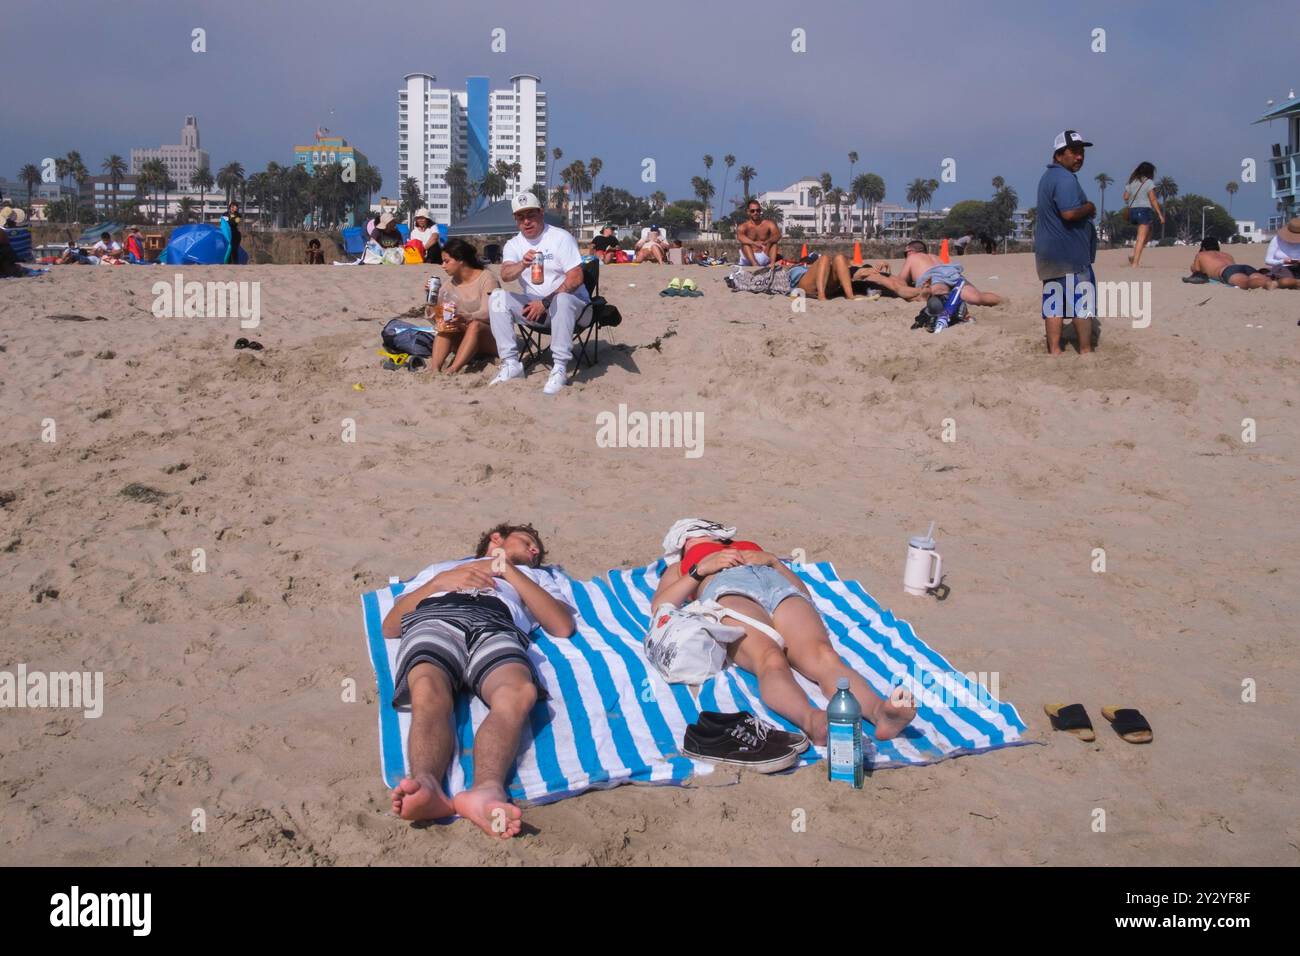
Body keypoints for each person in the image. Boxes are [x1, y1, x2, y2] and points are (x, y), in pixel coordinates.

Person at [382, 523, 576, 837]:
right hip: (437, 617)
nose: (535, 550)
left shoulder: (536, 577)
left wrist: (510, 572)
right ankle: (427, 785)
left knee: (518, 693)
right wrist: (440, 582)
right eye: (528, 541)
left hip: (496, 625)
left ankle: (486, 790)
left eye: (536, 549)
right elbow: (391, 625)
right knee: (428, 690)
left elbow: (562, 626)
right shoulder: (441, 568)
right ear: (496, 538)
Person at [651, 519, 917, 747]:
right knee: (770, 658)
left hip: (777, 587)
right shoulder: (683, 565)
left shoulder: (748, 548)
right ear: (682, 544)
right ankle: (813, 720)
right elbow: (660, 607)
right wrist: (700, 570)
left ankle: (880, 713)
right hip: (727, 590)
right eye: (691, 535)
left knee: (823, 656)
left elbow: (804, 593)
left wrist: (775, 563)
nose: (698, 535)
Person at [488, 191, 591, 395]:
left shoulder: (560, 237)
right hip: (536, 308)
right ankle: (510, 363)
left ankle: (559, 367)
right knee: (497, 297)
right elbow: (506, 275)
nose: (526, 222)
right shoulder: (513, 244)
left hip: (575, 307)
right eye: (520, 217)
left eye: (531, 215)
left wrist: (545, 302)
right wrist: (522, 264)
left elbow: (576, 277)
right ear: (515, 220)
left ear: (541, 213)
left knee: (561, 299)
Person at [1034, 130, 1098, 355]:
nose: (1080, 156)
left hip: (1048, 257)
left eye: (1082, 152)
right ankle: (1087, 351)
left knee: (1053, 306)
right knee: (1082, 306)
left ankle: (1054, 350)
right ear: (1060, 154)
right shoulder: (1065, 179)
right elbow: (1069, 214)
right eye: (1074, 152)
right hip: (1070, 257)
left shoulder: (1047, 177)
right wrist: (1090, 208)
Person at [852, 241, 1004, 306]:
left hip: (933, 277)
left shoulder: (913, 258)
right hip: (952, 272)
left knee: (940, 296)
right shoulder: (935, 257)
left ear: (910, 251)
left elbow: (902, 282)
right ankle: (1001, 300)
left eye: (906, 253)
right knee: (977, 297)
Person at [430, 238, 501, 373]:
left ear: (461, 260)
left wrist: (465, 317)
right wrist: (431, 299)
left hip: (491, 337)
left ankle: (453, 368)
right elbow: (437, 319)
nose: (443, 266)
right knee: (445, 324)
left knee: (475, 325)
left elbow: (489, 313)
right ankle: (434, 369)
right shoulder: (449, 285)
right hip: (464, 339)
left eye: (446, 261)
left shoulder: (487, 278)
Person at [1188, 237, 1284, 289]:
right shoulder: (1227, 255)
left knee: (1246, 282)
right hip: (1242, 267)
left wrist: (1194, 266)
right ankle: (1282, 282)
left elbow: (1197, 271)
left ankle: (1266, 284)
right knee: (1265, 279)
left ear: (1203, 248)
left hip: (1227, 271)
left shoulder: (1201, 255)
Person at [1122, 161, 1164, 268]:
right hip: (1144, 210)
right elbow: (1153, 199)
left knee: (1148, 232)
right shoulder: (1149, 183)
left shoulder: (1132, 182)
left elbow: (1125, 197)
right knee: (1141, 237)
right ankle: (1135, 263)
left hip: (1132, 211)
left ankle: (1133, 254)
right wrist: (1160, 214)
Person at [736, 199, 781, 266]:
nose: (755, 213)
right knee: (745, 245)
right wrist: (754, 243)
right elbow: (740, 237)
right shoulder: (744, 226)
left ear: (760, 211)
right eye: (752, 211)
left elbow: (777, 235)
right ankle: (755, 265)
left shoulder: (768, 224)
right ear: (748, 212)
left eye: (758, 210)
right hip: (749, 257)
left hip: (764, 254)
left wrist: (766, 242)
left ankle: (772, 265)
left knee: (774, 243)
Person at [1263, 215, 1300, 284]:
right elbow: (1267, 260)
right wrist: (1282, 261)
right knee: (1287, 278)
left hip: (1297, 267)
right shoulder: (1277, 240)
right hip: (1282, 267)